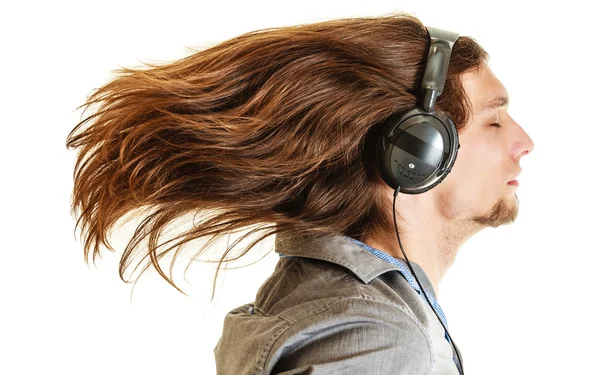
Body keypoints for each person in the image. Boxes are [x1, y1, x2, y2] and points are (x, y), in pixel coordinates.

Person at [65, 12, 533, 375]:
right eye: (493, 120)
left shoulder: (351, 305)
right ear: (417, 150)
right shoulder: (376, 336)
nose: (524, 143)